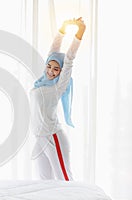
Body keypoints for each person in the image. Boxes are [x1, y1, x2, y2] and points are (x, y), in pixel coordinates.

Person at [30, 17, 86, 181]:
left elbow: (68, 59)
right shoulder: (41, 82)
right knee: (44, 181)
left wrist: (80, 33)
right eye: (49, 66)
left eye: (56, 69)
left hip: (53, 137)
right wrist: (62, 29)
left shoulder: (58, 86)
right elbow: (54, 49)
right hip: (39, 138)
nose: (51, 71)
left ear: (60, 72)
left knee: (64, 178)